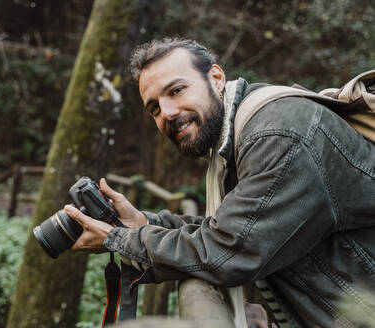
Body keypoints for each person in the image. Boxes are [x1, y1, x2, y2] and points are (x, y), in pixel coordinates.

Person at [64, 38, 375, 327]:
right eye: (154, 108)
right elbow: (234, 226)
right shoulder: (241, 132)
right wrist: (143, 222)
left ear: (216, 78)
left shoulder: (278, 136)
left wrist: (117, 239)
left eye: (176, 90)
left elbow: (226, 250)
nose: (167, 113)